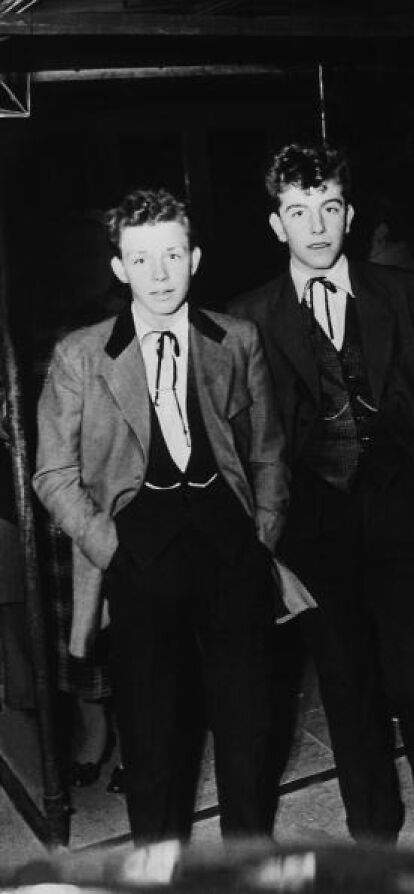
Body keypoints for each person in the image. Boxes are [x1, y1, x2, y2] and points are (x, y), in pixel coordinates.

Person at [230, 142, 414, 866]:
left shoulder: (406, 293)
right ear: (276, 224)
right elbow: (246, 439)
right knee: (346, 680)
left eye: (329, 207)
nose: (317, 226)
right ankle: (373, 829)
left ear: (350, 213)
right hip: (313, 521)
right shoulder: (249, 318)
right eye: (300, 211)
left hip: (409, 505)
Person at [33, 188, 289, 844]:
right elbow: (52, 474)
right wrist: (109, 548)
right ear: (118, 267)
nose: (159, 273)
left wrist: (261, 534)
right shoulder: (81, 354)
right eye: (141, 259)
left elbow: (267, 450)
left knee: (248, 722)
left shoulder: (236, 339)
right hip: (138, 559)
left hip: (231, 549)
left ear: (194, 258)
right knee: (152, 735)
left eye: (172, 255)